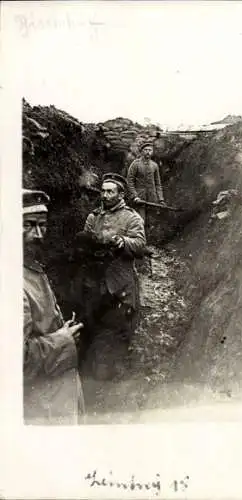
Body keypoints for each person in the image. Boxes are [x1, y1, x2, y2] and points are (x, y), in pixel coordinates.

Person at [23, 189, 85, 425]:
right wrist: (63, 339)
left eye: (42, 225)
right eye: (28, 225)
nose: (38, 234)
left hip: (56, 398)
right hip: (41, 409)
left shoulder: (31, 267)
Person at [80, 173, 146, 380]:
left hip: (120, 281)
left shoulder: (132, 217)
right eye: (103, 191)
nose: (105, 195)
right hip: (95, 279)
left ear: (121, 194)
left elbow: (140, 245)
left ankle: (118, 374)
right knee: (94, 323)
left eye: (110, 191)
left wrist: (123, 242)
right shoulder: (93, 217)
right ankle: (91, 370)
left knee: (120, 326)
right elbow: (85, 242)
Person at [126, 142, 165, 223]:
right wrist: (135, 196)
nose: (148, 152)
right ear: (142, 151)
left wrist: (160, 199)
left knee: (152, 221)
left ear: (152, 152)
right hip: (139, 198)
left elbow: (158, 184)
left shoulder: (154, 165)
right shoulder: (135, 164)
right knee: (140, 221)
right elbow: (130, 181)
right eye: (146, 150)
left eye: (150, 150)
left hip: (152, 198)